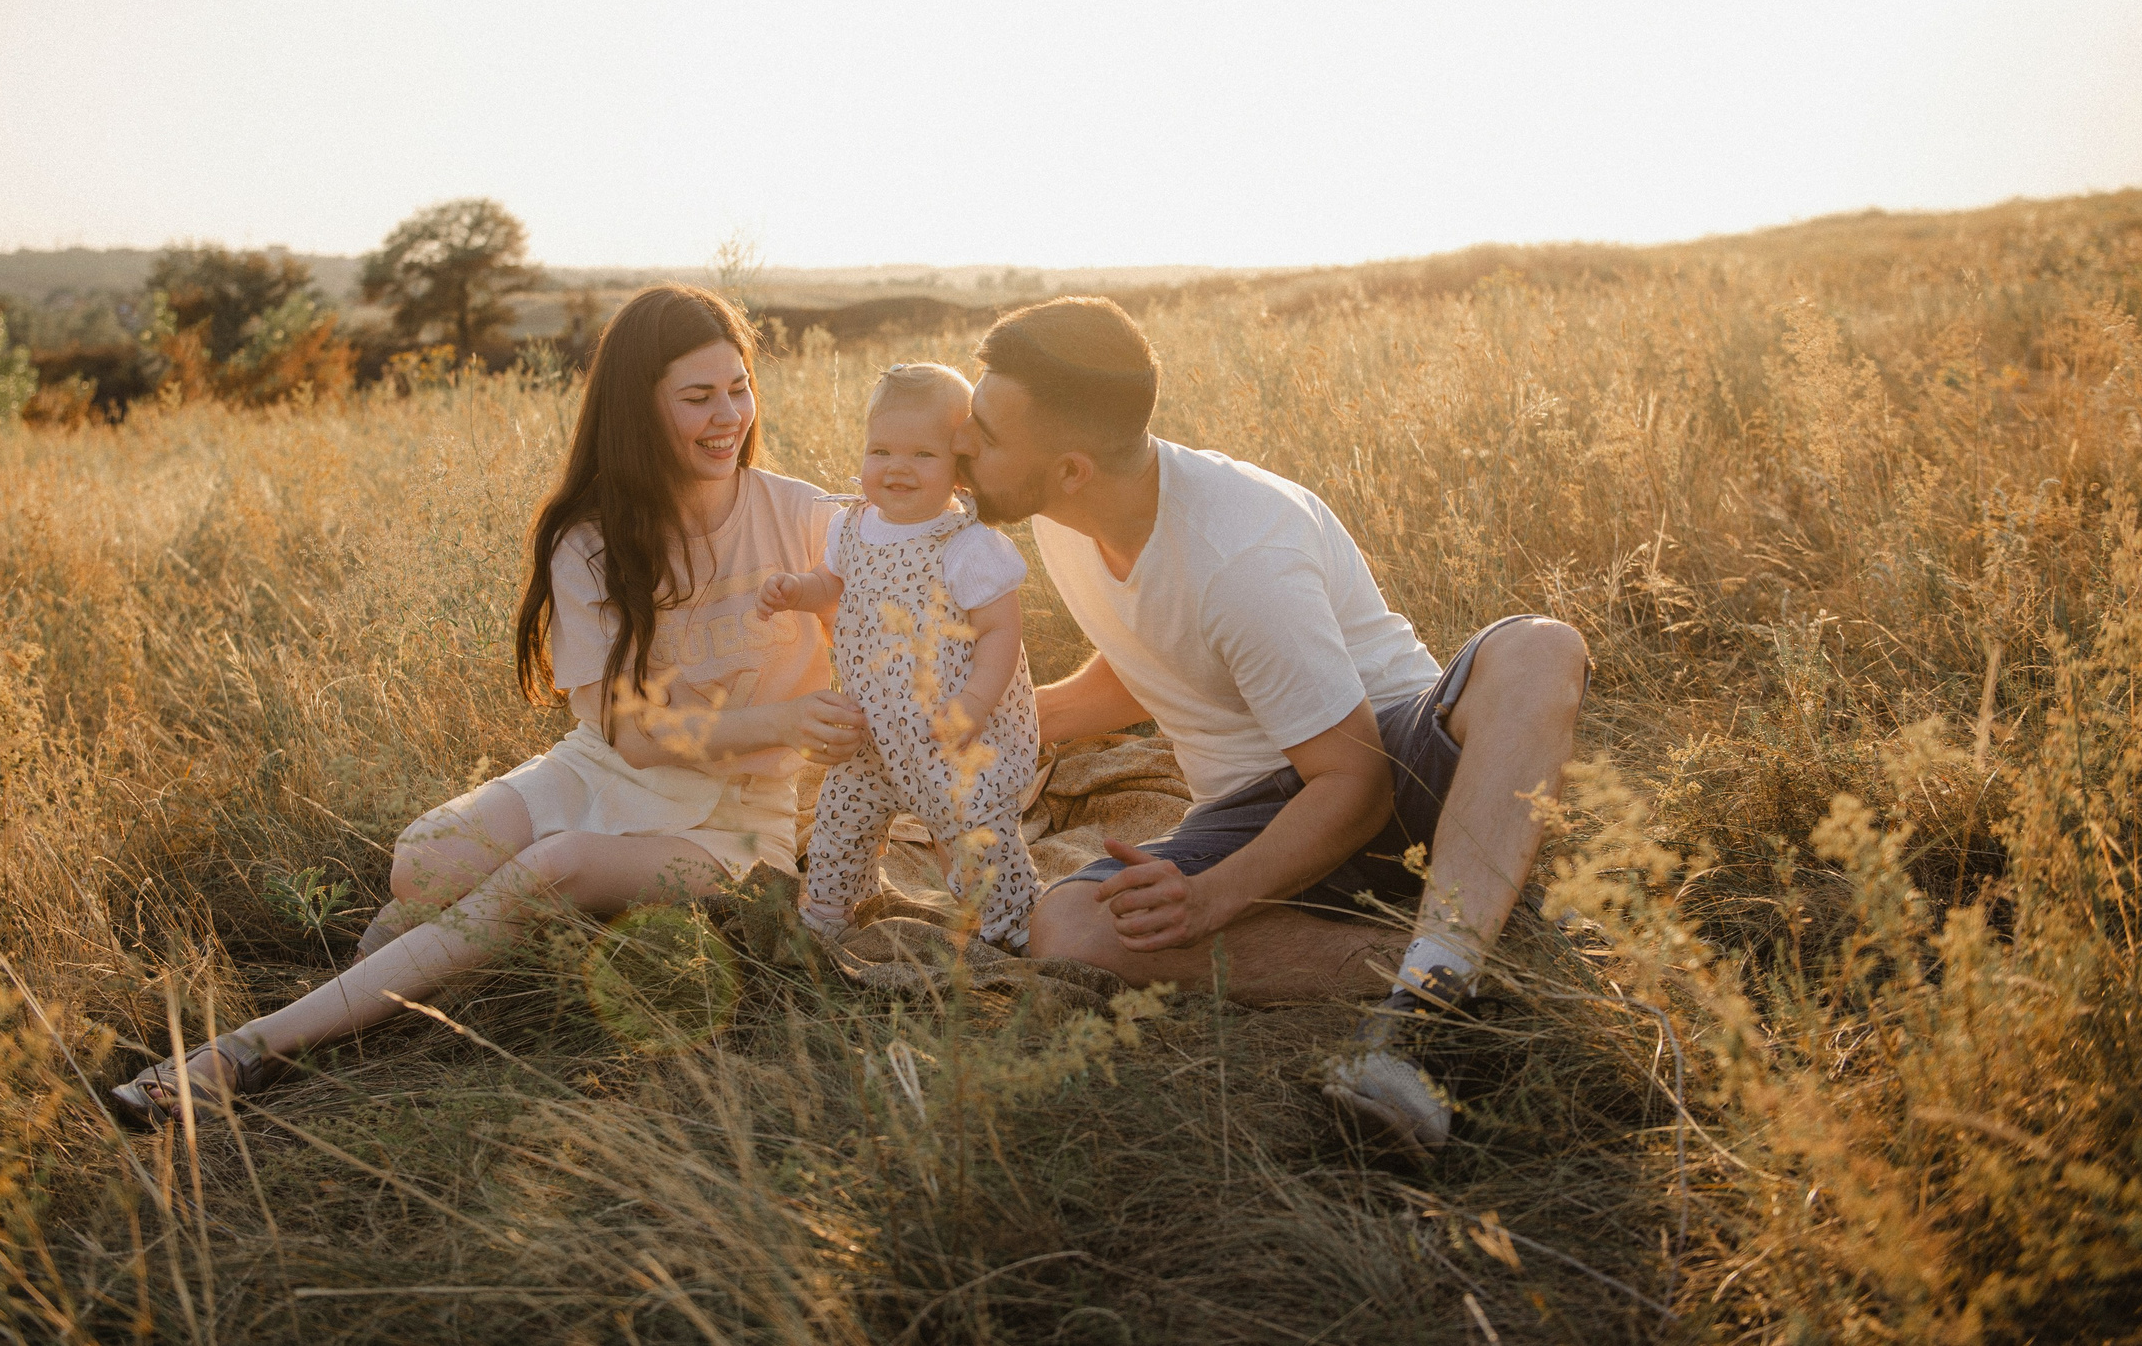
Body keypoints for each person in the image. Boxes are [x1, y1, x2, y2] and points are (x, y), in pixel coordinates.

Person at [110, 284, 868, 1123]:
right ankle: (471, 936)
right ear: (638, 407)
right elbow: (633, 734)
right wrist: (783, 719)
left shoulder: (803, 515)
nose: (728, 416)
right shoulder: (590, 537)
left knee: (551, 867)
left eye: (739, 386)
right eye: (698, 397)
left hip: (734, 817)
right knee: (421, 866)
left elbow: (922, 546)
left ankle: (247, 1049)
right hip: (605, 767)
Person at [953, 297, 1589, 1152]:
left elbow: (1356, 785)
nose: (962, 443)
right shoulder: (1068, 517)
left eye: (986, 434)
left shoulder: (1241, 554)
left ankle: (1428, 1006)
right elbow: (1157, 652)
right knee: (1069, 927)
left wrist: (1210, 899)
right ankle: (1480, 956)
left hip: (1398, 771)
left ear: (1070, 469)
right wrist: (993, 725)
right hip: (1253, 809)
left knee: (1540, 647)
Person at [757, 363, 1042, 949]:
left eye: (922, 454)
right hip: (873, 728)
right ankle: (830, 910)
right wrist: (797, 590)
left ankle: (1010, 924)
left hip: (951, 731)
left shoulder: (967, 546)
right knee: (840, 819)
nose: (897, 467)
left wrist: (974, 704)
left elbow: (1000, 632)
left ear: (960, 467)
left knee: (975, 829)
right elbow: (831, 585)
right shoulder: (851, 527)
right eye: (881, 450)